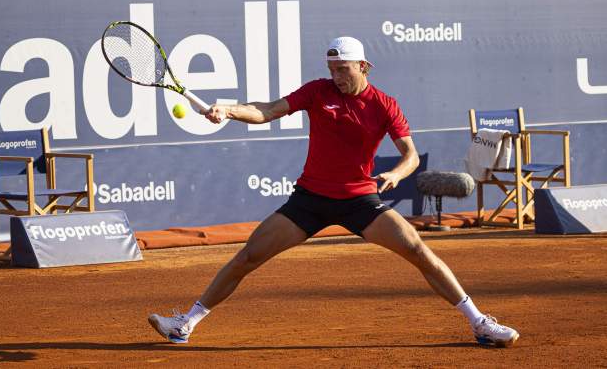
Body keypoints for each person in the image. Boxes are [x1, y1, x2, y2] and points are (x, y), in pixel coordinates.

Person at [148, 36, 519, 348]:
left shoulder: (384, 105)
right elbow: (267, 110)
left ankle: (479, 322)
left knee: (418, 251)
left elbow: (409, 155)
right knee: (248, 257)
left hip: (360, 200)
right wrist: (229, 110)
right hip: (310, 199)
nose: (336, 76)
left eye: (344, 69)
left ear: (364, 67)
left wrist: (393, 173)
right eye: (332, 69)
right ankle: (185, 324)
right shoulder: (317, 92)